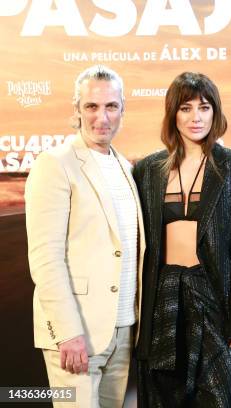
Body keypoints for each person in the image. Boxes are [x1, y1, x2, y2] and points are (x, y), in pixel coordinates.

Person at [133, 72, 231, 407]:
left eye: (204, 108)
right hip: (164, 297)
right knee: (163, 396)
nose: (196, 117)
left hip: (215, 297)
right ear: (172, 114)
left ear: (215, 112)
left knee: (218, 396)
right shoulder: (147, 169)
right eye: (186, 108)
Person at [25, 65, 145, 407]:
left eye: (111, 106)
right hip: (77, 334)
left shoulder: (125, 166)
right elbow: (45, 257)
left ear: (123, 109)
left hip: (122, 330)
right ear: (77, 110)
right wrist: (67, 332)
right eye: (91, 106)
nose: (101, 117)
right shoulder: (55, 163)